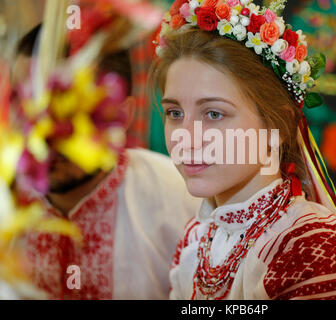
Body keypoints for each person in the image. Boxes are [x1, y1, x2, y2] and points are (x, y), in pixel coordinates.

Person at [152, 0, 336, 300]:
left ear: (277, 126)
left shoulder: (310, 245)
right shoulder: (196, 238)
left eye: (213, 114)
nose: (186, 138)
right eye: (174, 113)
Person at [12, 24, 201, 299]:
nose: (44, 134)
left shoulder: (181, 201)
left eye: (69, 109)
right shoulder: (7, 202)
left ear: (121, 116)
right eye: (25, 106)